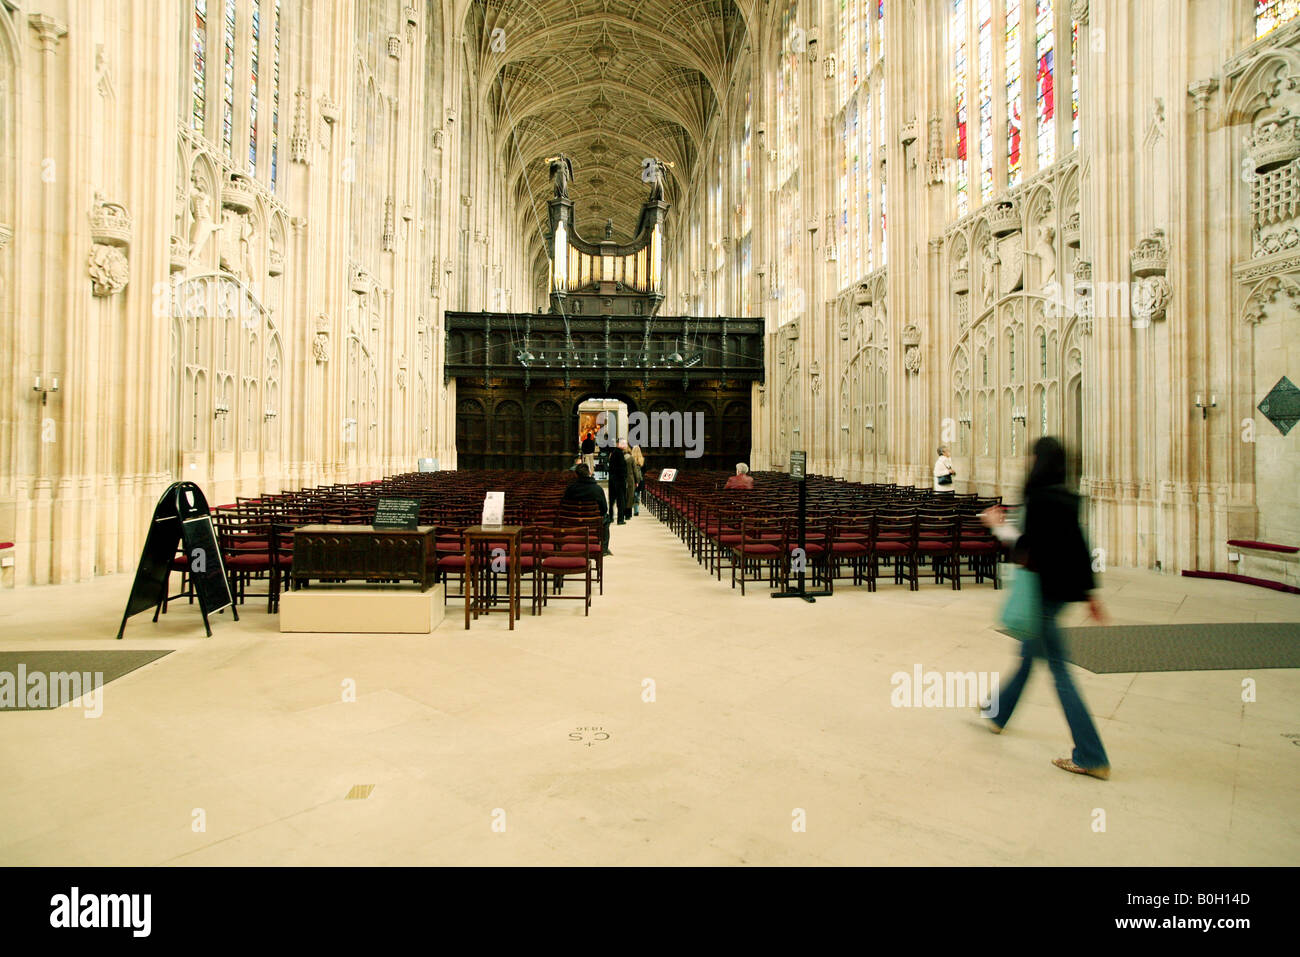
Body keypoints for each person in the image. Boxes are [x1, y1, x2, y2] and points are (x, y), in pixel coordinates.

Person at [979, 436, 1111, 780]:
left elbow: (1027, 548)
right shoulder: (1068, 498)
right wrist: (1090, 594)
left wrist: (998, 527)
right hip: (1059, 593)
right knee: (1027, 659)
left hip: (1041, 595)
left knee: (1059, 673)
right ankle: (997, 713)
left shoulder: (1037, 499)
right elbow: (1079, 546)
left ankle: (1092, 755)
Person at [562, 464, 610, 555]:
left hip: (572, 522)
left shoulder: (570, 489)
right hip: (592, 523)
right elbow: (604, 509)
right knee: (606, 518)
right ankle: (604, 549)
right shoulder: (597, 489)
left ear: (576, 475)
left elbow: (563, 505)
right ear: (589, 473)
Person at [607, 438, 630, 524]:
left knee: (612, 500)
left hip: (612, 480)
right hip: (619, 481)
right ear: (619, 444)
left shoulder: (613, 453)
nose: (626, 445)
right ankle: (620, 519)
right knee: (621, 501)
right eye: (624, 443)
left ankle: (611, 517)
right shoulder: (619, 454)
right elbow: (622, 469)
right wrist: (624, 478)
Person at [630, 445, 646, 516]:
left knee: (632, 494)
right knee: (637, 493)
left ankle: (633, 508)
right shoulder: (642, 460)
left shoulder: (630, 459)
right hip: (640, 480)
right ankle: (636, 509)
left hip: (632, 479)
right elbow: (645, 471)